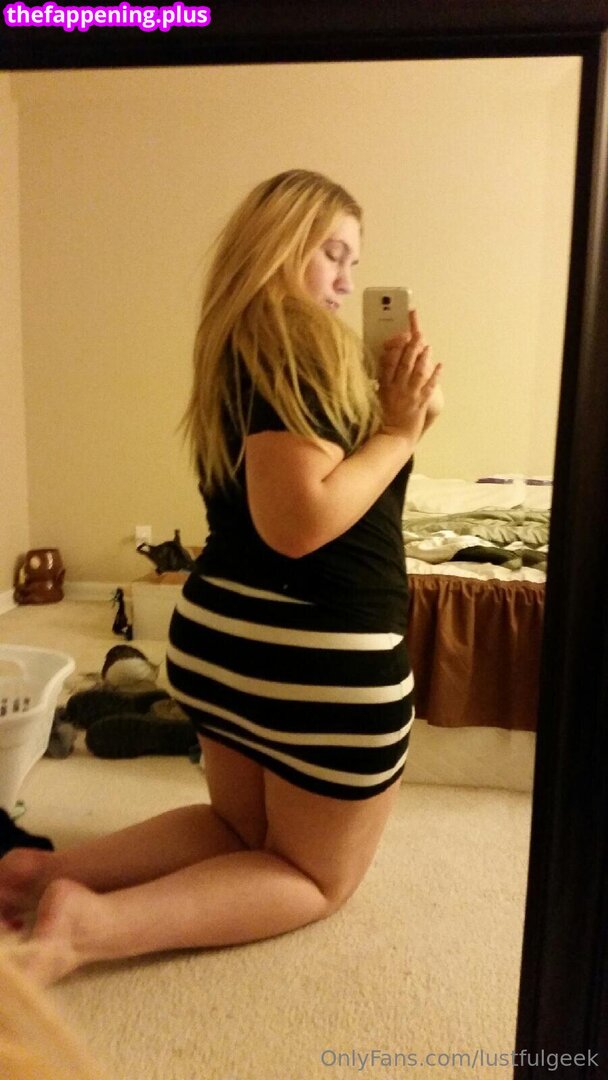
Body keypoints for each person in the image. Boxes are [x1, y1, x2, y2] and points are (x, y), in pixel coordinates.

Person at [0, 169, 442, 985]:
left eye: (354, 261)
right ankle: (86, 929)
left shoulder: (238, 344)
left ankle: (43, 875)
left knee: (236, 831)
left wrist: (386, 418)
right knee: (315, 878)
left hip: (221, 641)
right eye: (333, 253)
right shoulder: (299, 340)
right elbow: (299, 523)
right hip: (321, 661)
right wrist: (401, 433)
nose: (347, 281)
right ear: (280, 245)